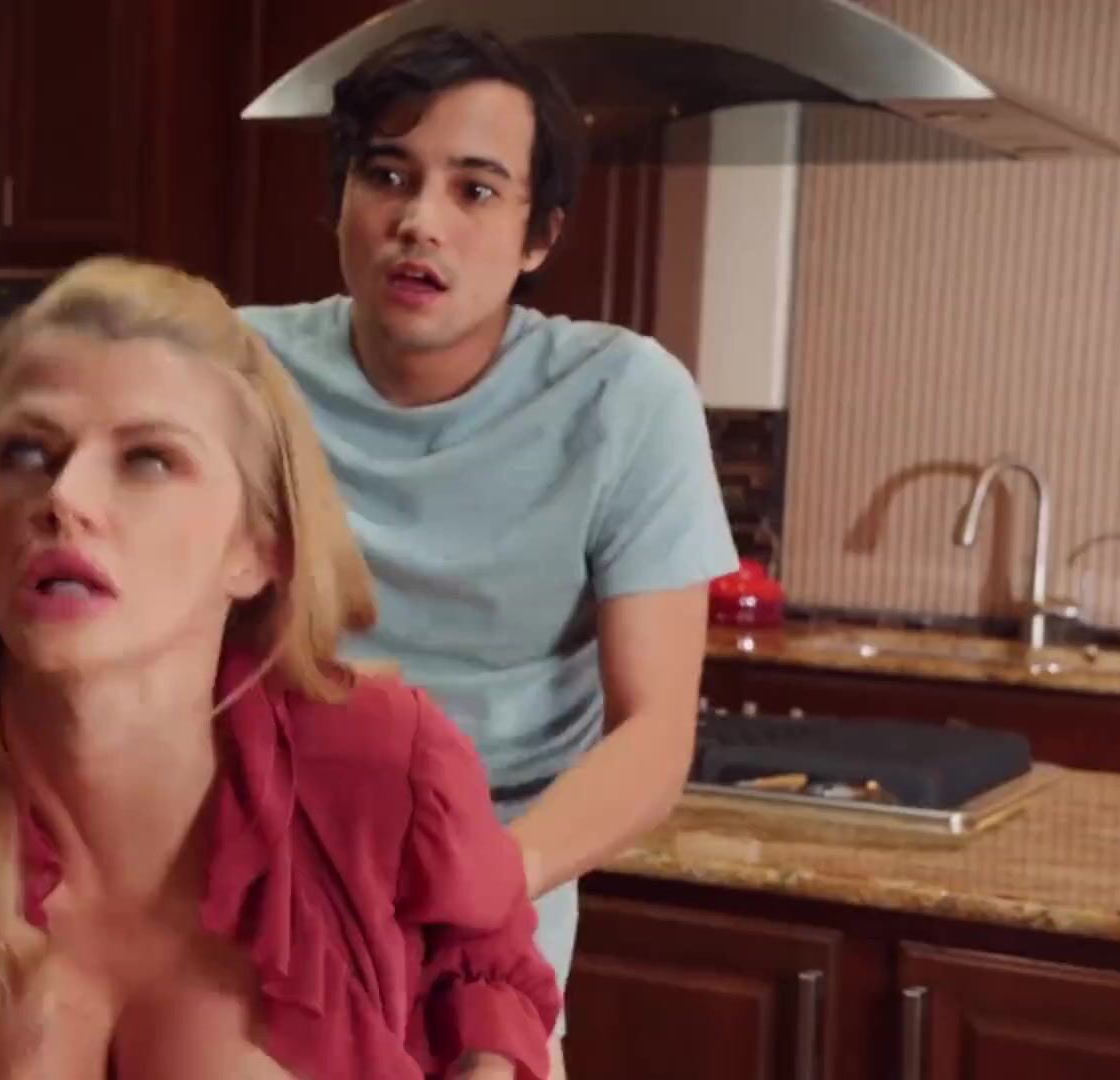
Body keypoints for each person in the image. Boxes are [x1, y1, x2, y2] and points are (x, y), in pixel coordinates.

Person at [0, 255, 562, 1079]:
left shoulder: (376, 766)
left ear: (259, 548)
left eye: (149, 459)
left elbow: (490, 989)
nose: (63, 498)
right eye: (25, 453)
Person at [238, 25, 740, 1078]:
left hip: (496, 905)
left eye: (474, 190)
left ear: (538, 237)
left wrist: (483, 885)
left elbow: (655, 733)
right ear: (341, 199)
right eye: (387, 175)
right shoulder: (236, 370)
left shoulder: (623, 399)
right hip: (255, 890)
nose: (419, 221)